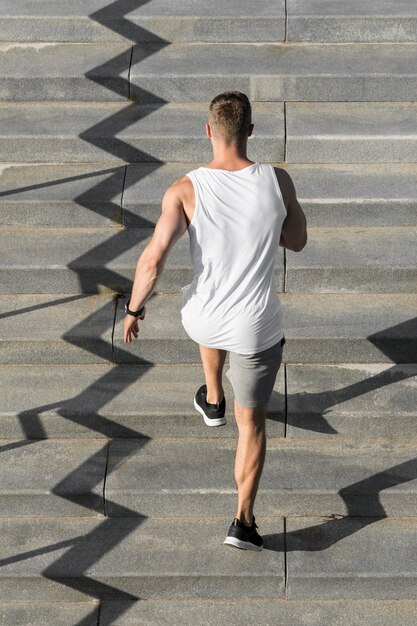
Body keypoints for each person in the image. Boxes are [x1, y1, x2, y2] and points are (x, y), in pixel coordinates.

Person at [123, 91, 307, 551]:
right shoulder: (277, 181)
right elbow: (298, 240)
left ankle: (212, 396)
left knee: (204, 311)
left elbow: (153, 260)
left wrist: (134, 309)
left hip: (202, 319)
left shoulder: (184, 189)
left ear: (208, 131)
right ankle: (242, 522)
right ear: (250, 131)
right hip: (255, 328)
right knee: (253, 426)